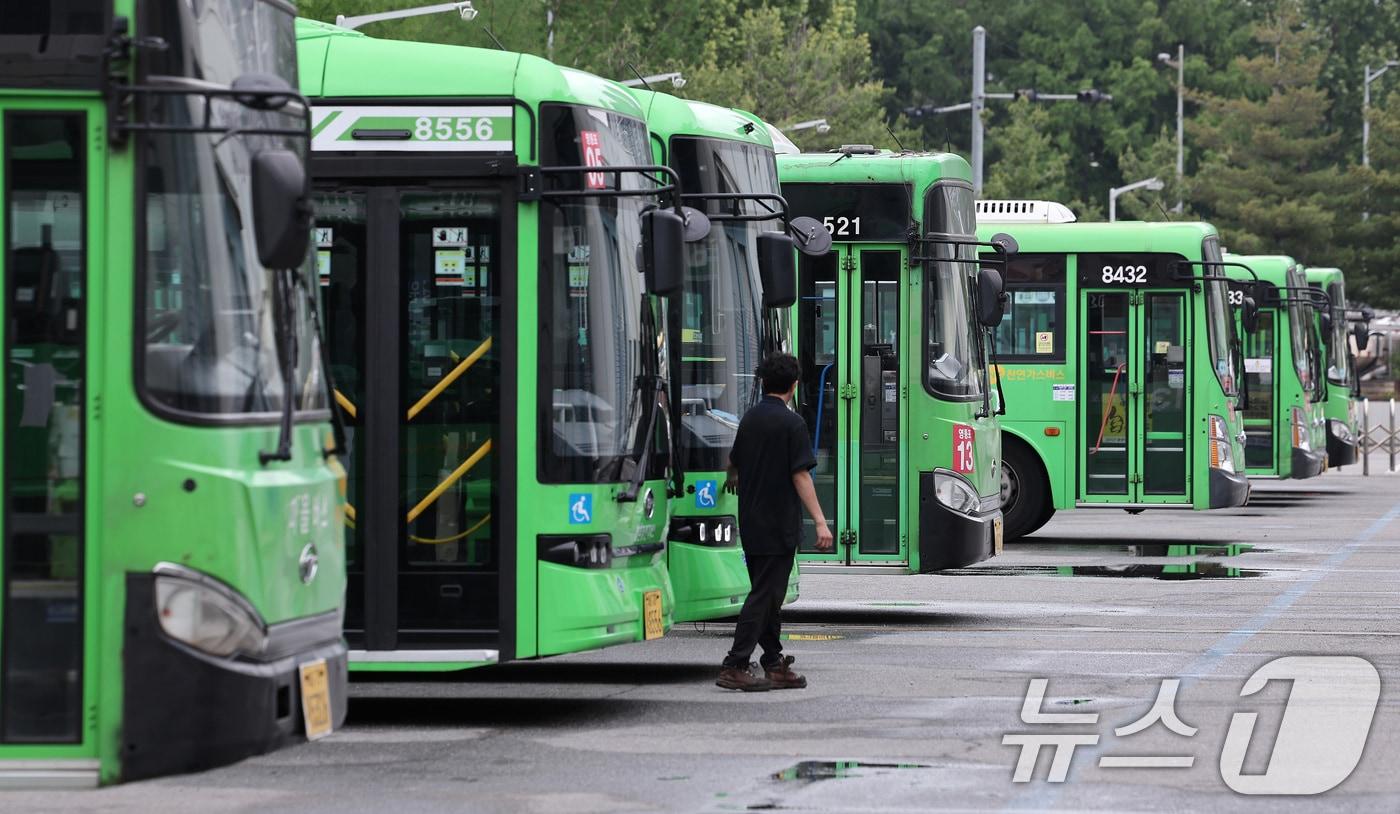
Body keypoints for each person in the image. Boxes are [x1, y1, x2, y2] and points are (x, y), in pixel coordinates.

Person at [717, 353, 833, 691]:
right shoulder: (792, 423)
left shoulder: (750, 418)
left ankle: (773, 662)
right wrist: (820, 521)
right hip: (778, 524)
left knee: (768, 595)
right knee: (764, 596)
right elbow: (800, 475)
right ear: (794, 385)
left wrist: (733, 478)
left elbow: (733, 462)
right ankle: (735, 664)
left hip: (752, 522)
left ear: (764, 382)